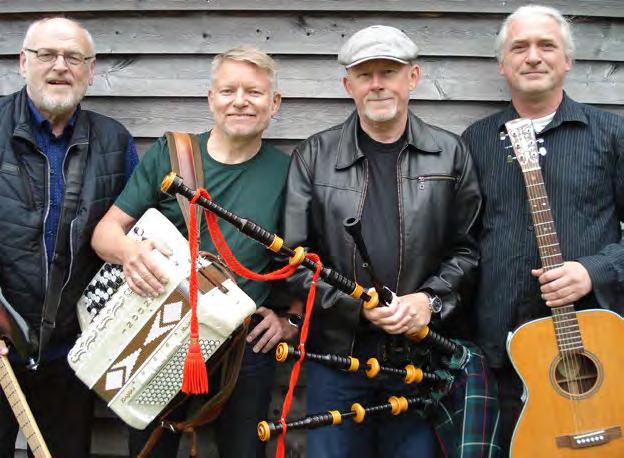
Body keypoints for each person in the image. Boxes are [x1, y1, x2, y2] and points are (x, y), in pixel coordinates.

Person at [282, 25, 487, 457]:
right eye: (364, 74)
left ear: (412, 78)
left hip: (421, 359)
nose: (377, 84)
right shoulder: (313, 156)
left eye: (388, 72)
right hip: (337, 358)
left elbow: (468, 250)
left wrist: (428, 302)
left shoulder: (450, 154)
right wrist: (356, 306)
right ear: (348, 85)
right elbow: (293, 261)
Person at [91, 47, 300, 457]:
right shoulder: (172, 155)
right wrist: (130, 251)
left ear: (274, 103)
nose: (240, 101)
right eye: (228, 90)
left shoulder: (289, 174)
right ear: (211, 98)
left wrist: (290, 319)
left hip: (244, 345)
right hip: (159, 334)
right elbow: (104, 234)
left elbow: (309, 260)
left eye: (254, 92)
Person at [462, 5, 624, 455]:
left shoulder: (611, 134)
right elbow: (461, 241)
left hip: (596, 353)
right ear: (503, 64)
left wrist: (594, 271)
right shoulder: (476, 141)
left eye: (546, 45)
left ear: (567, 60)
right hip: (501, 354)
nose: (533, 56)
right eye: (520, 47)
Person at [0, 17, 138, 457]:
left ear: (90, 70)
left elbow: (132, 230)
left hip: (71, 353)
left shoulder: (114, 141)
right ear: (24, 62)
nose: (60, 66)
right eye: (47, 54)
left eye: (74, 57)